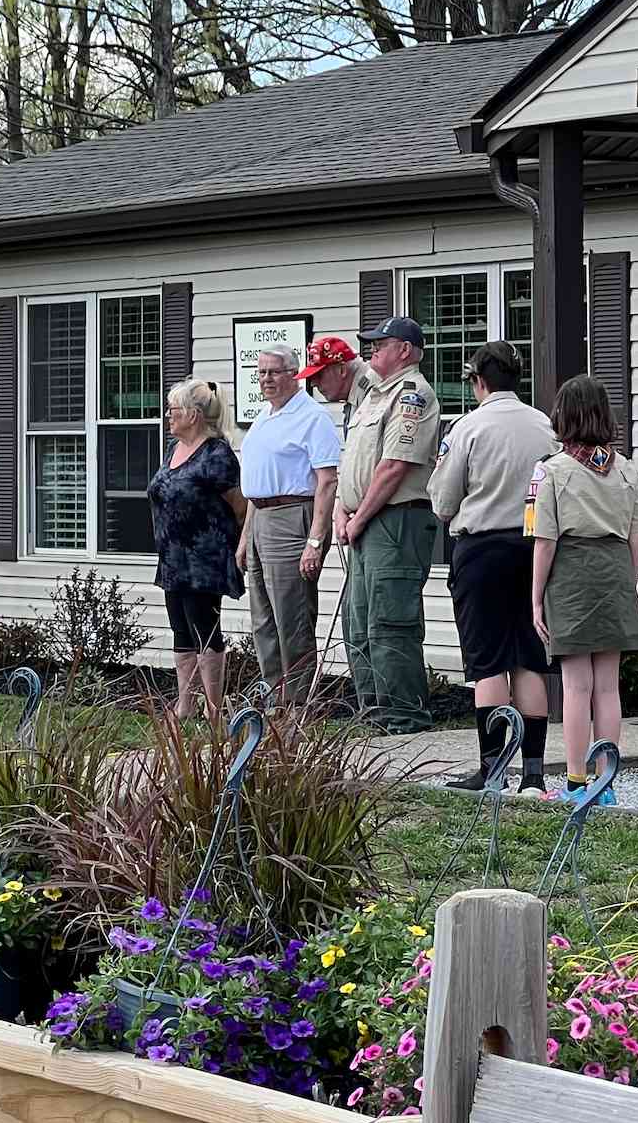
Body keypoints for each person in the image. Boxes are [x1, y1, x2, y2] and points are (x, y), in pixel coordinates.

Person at [428, 341, 556, 794]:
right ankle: (535, 772)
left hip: (481, 549)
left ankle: (493, 768)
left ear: (478, 381)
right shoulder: (545, 426)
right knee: (529, 658)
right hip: (534, 548)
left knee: (487, 663)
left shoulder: (467, 428)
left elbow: (443, 502)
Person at [529, 375, 638, 806]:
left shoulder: (553, 471)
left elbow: (545, 540)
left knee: (576, 685)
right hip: (616, 570)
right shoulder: (628, 470)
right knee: (608, 686)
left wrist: (536, 597)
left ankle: (577, 783)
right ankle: (607, 783)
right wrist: (629, 580)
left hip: (572, 574)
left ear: (564, 417)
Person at [333, 316, 440, 733]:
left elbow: (395, 466)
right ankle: (373, 713)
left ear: (406, 351)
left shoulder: (413, 395)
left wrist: (357, 517)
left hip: (395, 520)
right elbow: (353, 460)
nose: (372, 349)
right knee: (357, 621)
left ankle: (403, 716)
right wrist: (343, 509)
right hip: (362, 520)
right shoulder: (373, 395)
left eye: (382, 343)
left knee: (389, 621)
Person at [237, 344, 340, 699]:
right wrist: (245, 537)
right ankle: (273, 699)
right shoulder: (265, 416)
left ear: (293, 374)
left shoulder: (312, 417)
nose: (266, 378)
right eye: (262, 372)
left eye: (274, 371)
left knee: (291, 617)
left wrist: (315, 541)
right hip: (261, 518)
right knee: (263, 620)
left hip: (292, 518)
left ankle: (298, 705)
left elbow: (327, 482)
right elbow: (257, 482)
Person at [149, 379, 246, 716]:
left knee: (204, 628)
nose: (167, 416)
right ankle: (185, 704)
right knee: (180, 629)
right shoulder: (172, 450)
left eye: (172, 410)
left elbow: (239, 505)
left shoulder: (217, 455)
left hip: (205, 558)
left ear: (193, 415)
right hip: (173, 556)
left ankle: (214, 707)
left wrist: (239, 546)